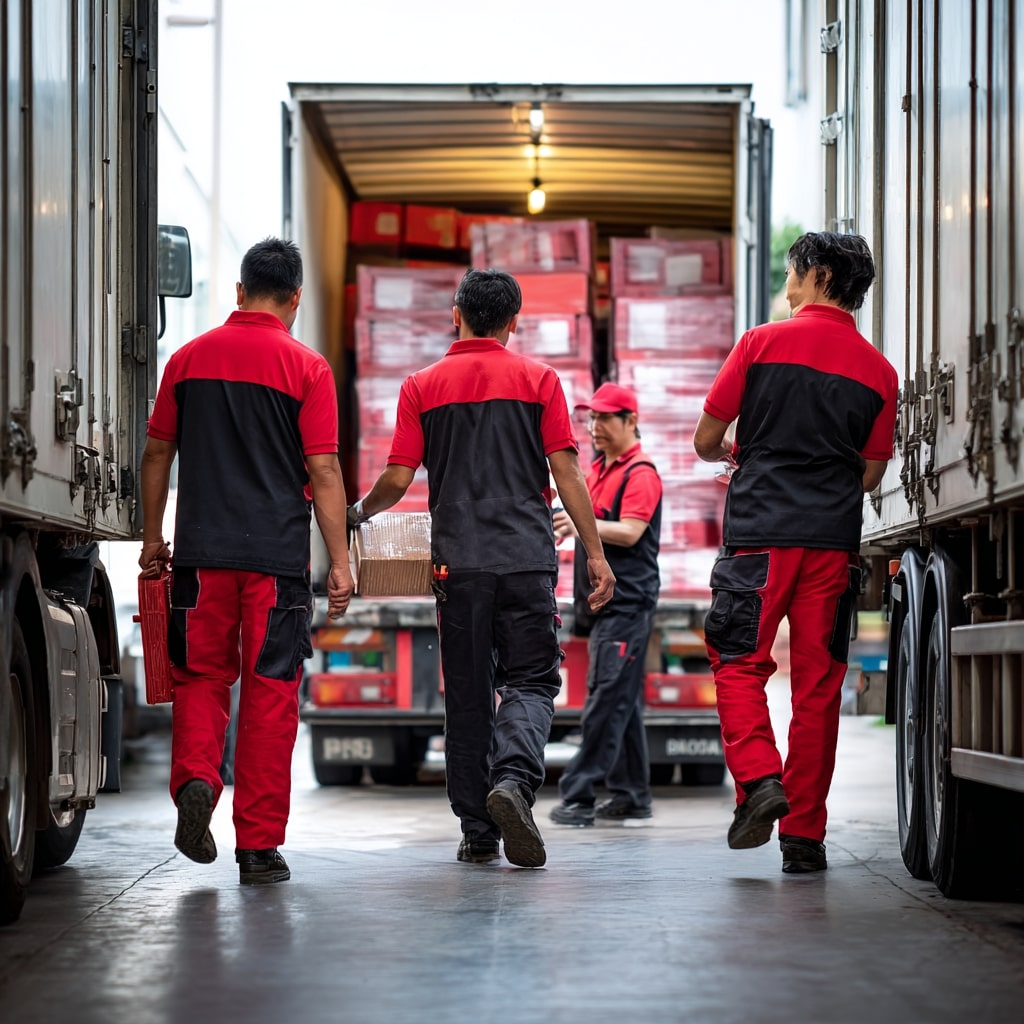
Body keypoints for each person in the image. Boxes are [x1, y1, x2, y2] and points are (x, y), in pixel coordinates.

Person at [350, 268, 615, 868]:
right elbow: (567, 472)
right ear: (514, 322)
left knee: (468, 694)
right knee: (531, 681)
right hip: (525, 560)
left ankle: (477, 831)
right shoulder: (539, 380)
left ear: (456, 315)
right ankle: (514, 783)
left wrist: (355, 514)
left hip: (458, 564)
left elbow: (398, 478)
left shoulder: (421, 385)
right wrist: (596, 554)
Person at [138, 237, 355, 886]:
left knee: (200, 679)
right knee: (270, 695)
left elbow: (157, 454)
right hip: (276, 565)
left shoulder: (187, 359)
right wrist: (340, 561)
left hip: (200, 557)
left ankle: (196, 782)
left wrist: (152, 540)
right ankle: (257, 849)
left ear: (239, 291)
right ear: (296, 299)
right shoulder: (308, 369)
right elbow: (323, 470)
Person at [693, 231, 898, 873]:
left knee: (738, 662)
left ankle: (759, 781)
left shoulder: (759, 343)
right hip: (831, 545)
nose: (787, 285)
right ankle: (804, 839)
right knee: (818, 687)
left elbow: (705, 439)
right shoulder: (880, 372)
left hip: (759, 537)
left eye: (791, 272)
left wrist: (739, 455)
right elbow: (870, 475)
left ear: (816, 275)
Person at [547, 383, 662, 826]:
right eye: (592, 418)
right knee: (622, 700)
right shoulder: (598, 469)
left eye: (605, 417)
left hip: (627, 605)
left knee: (606, 699)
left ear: (631, 421)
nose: (595, 426)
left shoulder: (641, 473)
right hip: (604, 607)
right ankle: (632, 795)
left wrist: (580, 525)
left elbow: (630, 532)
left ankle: (577, 795)